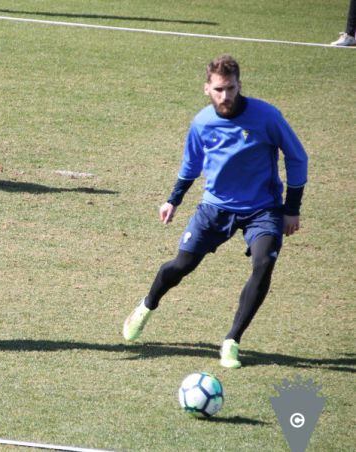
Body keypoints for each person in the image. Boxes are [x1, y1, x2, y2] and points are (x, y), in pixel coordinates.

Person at [122, 55, 308, 369]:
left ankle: (232, 341)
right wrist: (173, 200)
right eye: (219, 89)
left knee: (263, 265)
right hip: (215, 208)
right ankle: (147, 305)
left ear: (239, 85)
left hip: (263, 209)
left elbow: (297, 157)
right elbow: (191, 166)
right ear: (207, 88)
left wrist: (292, 209)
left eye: (231, 88)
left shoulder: (267, 117)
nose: (226, 96)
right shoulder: (202, 123)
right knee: (181, 265)